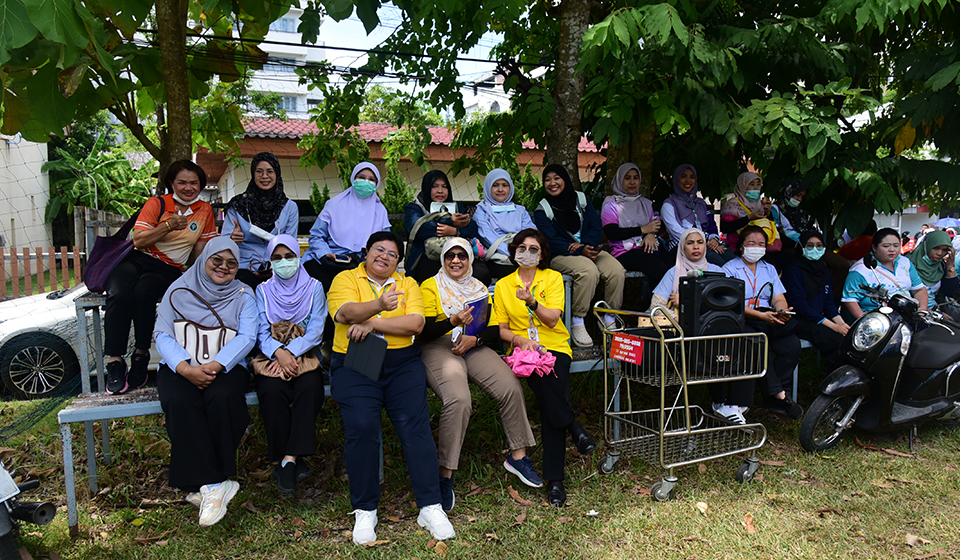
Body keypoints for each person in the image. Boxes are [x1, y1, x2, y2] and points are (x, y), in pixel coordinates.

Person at [326, 231, 455, 545]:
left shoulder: (407, 284)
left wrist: (373, 322)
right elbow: (344, 314)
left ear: (399, 261)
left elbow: (416, 324)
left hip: (401, 363)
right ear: (367, 252)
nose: (384, 256)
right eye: (379, 249)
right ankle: (365, 509)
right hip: (356, 361)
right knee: (362, 427)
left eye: (392, 254)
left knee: (415, 426)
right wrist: (379, 304)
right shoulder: (345, 278)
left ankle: (430, 505)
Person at [419, 238, 540, 511]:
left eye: (462, 255)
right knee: (459, 399)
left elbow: (493, 328)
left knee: (509, 386)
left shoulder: (479, 288)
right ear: (443, 259)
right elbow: (424, 331)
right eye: (450, 256)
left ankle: (518, 457)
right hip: (439, 346)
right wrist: (453, 321)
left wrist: (475, 340)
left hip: (472, 344)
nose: (456, 261)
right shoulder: (430, 286)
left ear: (470, 260)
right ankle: (444, 474)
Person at [153, 238, 257, 527]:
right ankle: (216, 483)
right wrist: (185, 369)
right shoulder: (178, 290)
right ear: (204, 260)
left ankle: (202, 484)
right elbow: (162, 334)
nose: (224, 267)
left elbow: (248, 336)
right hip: (180, 364)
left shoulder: (243, 295)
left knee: (223, 397)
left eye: (231, 263)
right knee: (179, 400)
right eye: (217, 260)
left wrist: (216, 365)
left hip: (226, 365)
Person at [494, 228, 596, 508]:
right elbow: (501, 329)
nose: (527, 253)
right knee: (552, 393)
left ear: (542, 255)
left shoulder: (551, 278)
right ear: (514, 251)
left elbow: (552, 320)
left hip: (555, 346)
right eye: (522, 248)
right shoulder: (503, 285)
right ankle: (569, 443)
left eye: (534, 249)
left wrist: (531, 301)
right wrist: (520, 341)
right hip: (522, 351)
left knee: (550, 394)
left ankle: (556, 478)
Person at [104, 160, 218, 395]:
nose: (188, 188)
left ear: (201, 185)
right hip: (136, 259)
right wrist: (168, 225)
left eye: (194, 183)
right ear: (171, 183)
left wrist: (200, 276)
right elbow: (139, 240)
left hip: (169, 267)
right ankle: (115, 361)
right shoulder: (157, 204)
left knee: (144, 291)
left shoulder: (205, 210)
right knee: (118, 292)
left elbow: (199, 251)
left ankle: (141, 355)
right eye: (182, 182)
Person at [650, 228, 752, 423]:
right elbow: (656, 308)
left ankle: (734, 403)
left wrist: (687, 301)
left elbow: (727, 305)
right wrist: (681, 316)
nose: (696, 247)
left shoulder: (718, 271)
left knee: (743, 339)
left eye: (700, 242)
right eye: (690, 243)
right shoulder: (673, 273)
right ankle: (721, 403)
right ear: (682, 247)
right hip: (685, 332)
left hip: (716, 327)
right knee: (712, 343)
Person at [253, 234, 327, 495]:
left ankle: (287, 461)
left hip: (305, 354)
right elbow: (260, 330)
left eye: (289, 256)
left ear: (298, 257)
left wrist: (291, 353)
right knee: (272, 391)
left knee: (310, 388)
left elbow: (316, 329)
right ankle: (292, 459)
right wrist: (278, 353)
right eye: (277, 258)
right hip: (271, 357)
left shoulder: (314, 287)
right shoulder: (262, 290)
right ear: (270, 261)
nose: (284, 262)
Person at [534, 164, 625, 347]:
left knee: (616, 271)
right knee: (588, 272)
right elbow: (550, 241)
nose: (552, 183)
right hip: (561, 255)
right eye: (547, 180)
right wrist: (578, 250)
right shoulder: (543, 209)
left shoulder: (581, 200)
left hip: (589, 249)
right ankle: (578, 320)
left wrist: (587, 246)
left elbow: (595, 226)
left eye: (557, 178)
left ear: (565, 180)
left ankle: (608, 317)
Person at [722, 226, 803, 419]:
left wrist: (782, 311)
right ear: (741, 246)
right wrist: (760, 316)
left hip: (768, 318)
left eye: (761, 244)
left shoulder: (769, 269)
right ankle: (778, 394)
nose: (756, 247)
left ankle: (774, 395)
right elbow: (731, 303)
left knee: (792, 346)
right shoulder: (729, 269)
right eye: (752, 243)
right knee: (757, 342)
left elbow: (778, 297)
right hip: (743, 319)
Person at [302, 162, 391, 292]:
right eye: (361, 177)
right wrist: (325, 253)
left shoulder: (380, 212)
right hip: (328, 259)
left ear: (376, 184)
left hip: (361, 263)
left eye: (371, 179)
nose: (366, 182)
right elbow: (316, 236)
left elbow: (385, 245)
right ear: (353, 178)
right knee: (317, 286)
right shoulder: (333, 205)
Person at [222, 152, 299, 288]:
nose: (264, 176)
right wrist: (232, 239)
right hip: (244, 266)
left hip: (279, 266)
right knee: (244, 286)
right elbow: (224, 242)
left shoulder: (289, 207)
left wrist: (275, 265)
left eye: (270, 171)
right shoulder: (238, 205)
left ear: (277, 174)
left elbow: (290, 244)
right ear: (253, 174)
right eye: (259, 171)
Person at [600, 163, 669, 309]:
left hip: (646, 248)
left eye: (635, 178)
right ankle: (651, 309)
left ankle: (669, 308)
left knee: (672, 263)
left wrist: (650, 233)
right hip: (623, 252)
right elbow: (612, 233)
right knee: (659, 269)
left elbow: (655, 224)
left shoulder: (645, 203)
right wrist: (643, 230)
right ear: (620, 180)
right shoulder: (611, 205)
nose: (632, 182)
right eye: (627, 178)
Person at [404, 170, 491, 285]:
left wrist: (455, 231)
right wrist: (450, 221)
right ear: (426, 187)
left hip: (458, 254)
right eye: (434, 186)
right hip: (427, 256)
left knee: (481, 273)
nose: (440, 190)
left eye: (444, 187)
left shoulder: (456, 206)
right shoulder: (415, 207)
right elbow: (416, 230)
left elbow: (472, 228)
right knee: (434, 279)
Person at [782, 231, 849, 371]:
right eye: (809, 245)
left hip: (817, 319)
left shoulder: (823, 270)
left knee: (848, 337)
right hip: (798, 319)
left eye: (819, 245)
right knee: (835, 340)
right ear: (801, 247)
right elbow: (800, 305)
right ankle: (837, 378)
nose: (815, 249)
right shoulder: (793, 270)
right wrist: (834, 327)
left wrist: (841, 324)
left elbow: (828, 301)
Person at [841, 228, 928, 320]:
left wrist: (921, 312)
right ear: (874, 247)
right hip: (877, 319)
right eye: (886, 246)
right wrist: (866, 321)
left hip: (907, 317)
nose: (892, 250)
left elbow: (919, 289)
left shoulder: (905, 262)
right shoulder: (861, 269)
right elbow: (850, 300)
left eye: (896, 245)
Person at [660, 163, 732, 266]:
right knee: (720, 264)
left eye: (692, 177)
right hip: (682, 247)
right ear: (676, 179)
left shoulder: (699, 203)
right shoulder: (669, 204)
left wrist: (714, 239)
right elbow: (676, 232)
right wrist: (702, 242)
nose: (688, 180)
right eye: (683, 176)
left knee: (732, 259)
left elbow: (711, 225)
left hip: (706, 245)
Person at [474, 169, 536, 279]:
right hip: (498, 256)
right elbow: (487, 236)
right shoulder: (481, 210)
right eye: (495, 185)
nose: (500, 189)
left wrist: (523, 251)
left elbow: (531, 234)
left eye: (505, 185)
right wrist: (513, 253)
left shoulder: (520, 210)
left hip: (523, 253)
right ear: (488, 187)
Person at [907, 229, 958, 311]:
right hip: (911, 311)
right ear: (927, 246)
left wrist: (950, 265)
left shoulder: (940, 266)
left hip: (934, 311)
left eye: (945, 250)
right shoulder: (907, 264)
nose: (940, 253)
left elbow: (951, 292)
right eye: (936, 248)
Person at [771, 179, 812, 249]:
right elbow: (775, 232)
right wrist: (794, 244)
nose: (800, 199)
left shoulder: (798, 211)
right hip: (786, 247)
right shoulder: (775, 209)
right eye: (798, 195)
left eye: (802, 197)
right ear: (789, 192)